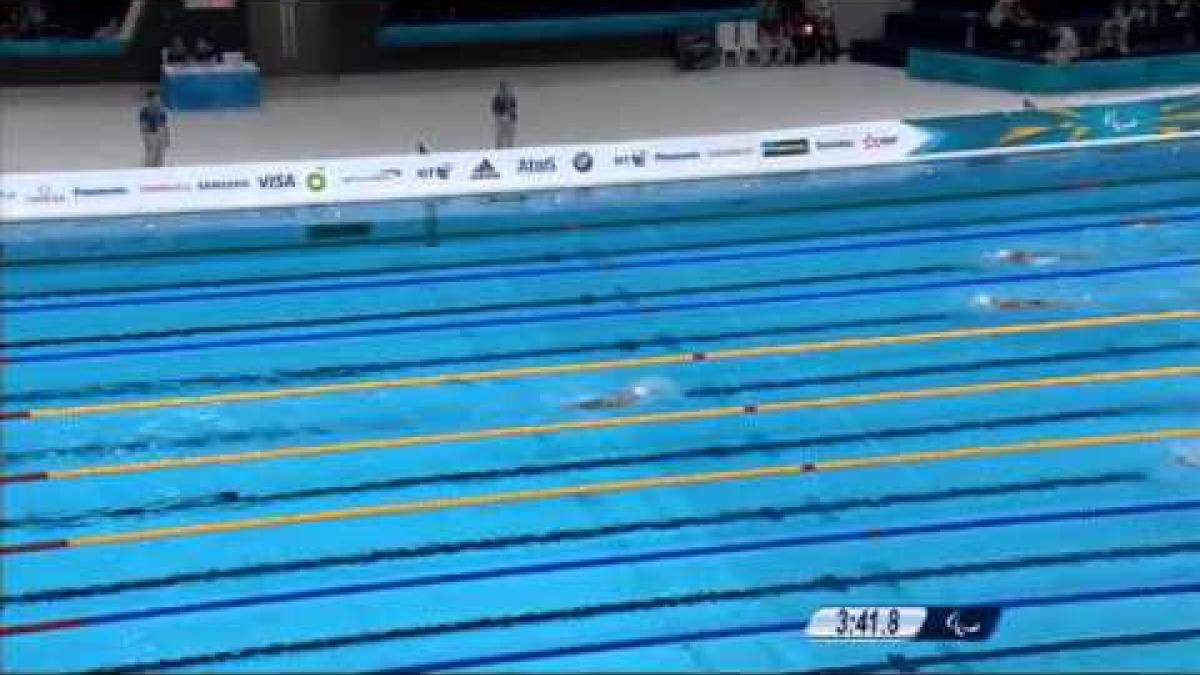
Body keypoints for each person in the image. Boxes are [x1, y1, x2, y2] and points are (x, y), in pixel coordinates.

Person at [139, 89, 170, 168]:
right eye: (155, 99)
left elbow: (165, 125)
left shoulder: (162, 111)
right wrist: (146, 138)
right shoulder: (144, 111)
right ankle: (149, 170)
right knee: (151, 154)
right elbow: (143, 126)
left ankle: (159, 169)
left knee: (161, 154)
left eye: (158, 99)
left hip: (160, 133)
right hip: (150, 134)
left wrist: (167, 138)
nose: (157, 100)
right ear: (149, 100)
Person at [971, 293, 1075, 310]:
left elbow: (1018, 305)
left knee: (1050, 304)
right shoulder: (1000, 303)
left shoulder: (999, 305)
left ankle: (1071, 303)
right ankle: (1072, 303)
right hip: (1026, 303)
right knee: (1050, 304)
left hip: (1026, 304)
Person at [491, 81, 518, 149]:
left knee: (510, 137)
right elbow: (494, 109)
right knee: (500, 137)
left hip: (510, 120)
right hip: (501, 120)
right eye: (504, 89)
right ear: (500, 89)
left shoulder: (511, 97)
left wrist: (512, 117)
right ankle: (499, 150)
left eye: (507, 88)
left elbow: (514, 108)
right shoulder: (496, 99)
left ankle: (510, 149)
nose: (506, 90)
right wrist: (501, 116)